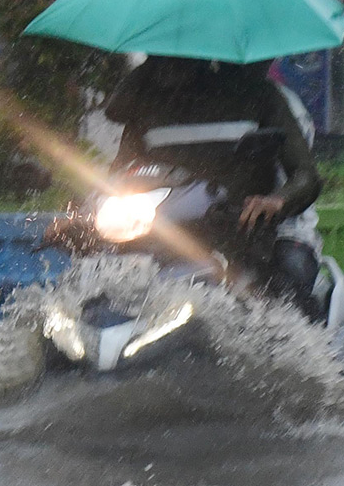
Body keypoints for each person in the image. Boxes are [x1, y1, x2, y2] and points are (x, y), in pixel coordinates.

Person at [103, 55, 323, 318]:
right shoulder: (146, 107)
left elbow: (306, 175)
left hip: (245, 232)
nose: (170, 67)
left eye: (177, 57)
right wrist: (84, 215)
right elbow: (117, 177)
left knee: (291, 276)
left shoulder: (258, 96)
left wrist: (277, 201)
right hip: (166, 231)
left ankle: (300, 353)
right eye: (160, 58)